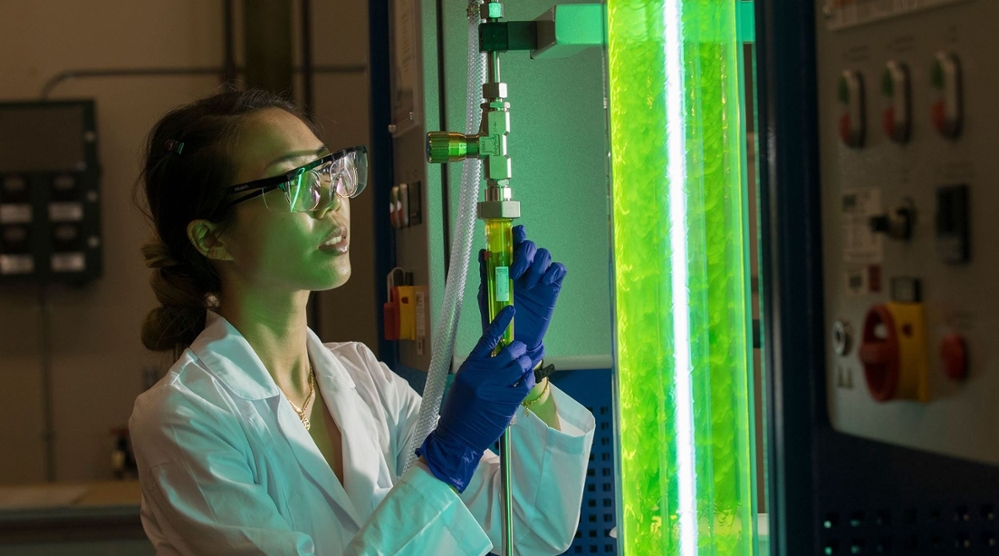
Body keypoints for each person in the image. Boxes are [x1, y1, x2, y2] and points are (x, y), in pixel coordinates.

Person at [128, 88, 595, 555]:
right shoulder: (182, 417)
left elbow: (532, 532)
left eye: (331, 170)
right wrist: (447, 459)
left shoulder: (361, 377)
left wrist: (524, 372)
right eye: (296, 182)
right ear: (212, 238)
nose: (332, 199)